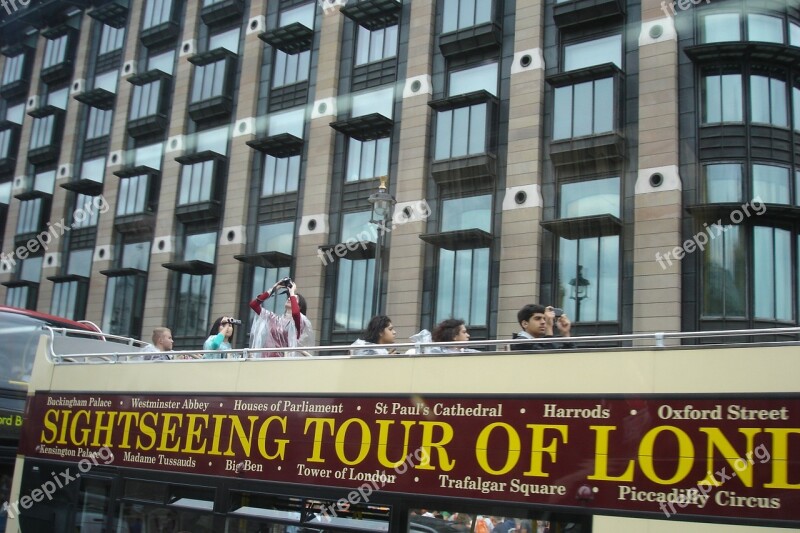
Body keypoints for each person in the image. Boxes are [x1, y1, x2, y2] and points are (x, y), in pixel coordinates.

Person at [249, 279, 314, 357]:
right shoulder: (274, 319)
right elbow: (254, 305)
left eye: (294, 298)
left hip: (284, 361)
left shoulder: (299, 322)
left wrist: (292, 292)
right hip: (266, 359)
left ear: (299, 307)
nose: (290, 298)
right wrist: (274, 288)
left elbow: (296, 313)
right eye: (289, 297)